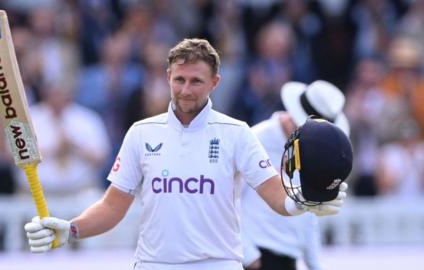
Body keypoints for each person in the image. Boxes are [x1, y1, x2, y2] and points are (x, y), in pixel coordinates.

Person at [24, 38, 348, 270]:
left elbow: (277, 196)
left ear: (215, 82)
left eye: (196, 81)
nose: (186, 90)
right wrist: (72, 229)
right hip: (154, 264)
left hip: (218, 264)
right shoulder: (141, 132)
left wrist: (307, 201)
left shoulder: (237, 133)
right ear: (168, 77)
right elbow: (113, 206)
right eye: (179, 79)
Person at [241, 80, 350, 270]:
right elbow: (226, 201)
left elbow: (310, 217)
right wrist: (248, 256)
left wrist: (315, 265)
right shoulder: (255, 140)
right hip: (254, 255)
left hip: (289, 258)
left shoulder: (314, 151)